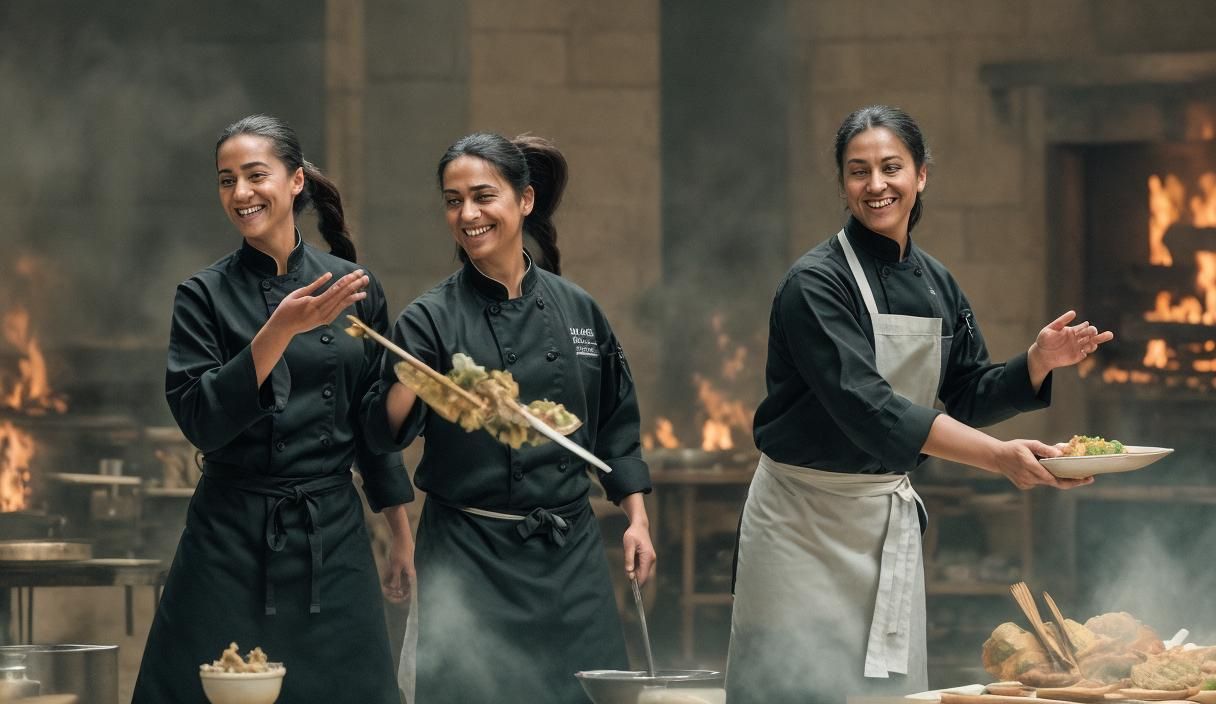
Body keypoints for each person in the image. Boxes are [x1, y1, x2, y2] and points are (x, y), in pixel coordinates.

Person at [725, 105, 1112, 704]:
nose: (875, 184)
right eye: (858, 171)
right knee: (792, 688)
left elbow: (966, 393)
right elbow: (869, 407)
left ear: (921, 175)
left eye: (891, 167)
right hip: (800, 525)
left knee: (882, 694)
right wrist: (998, 458)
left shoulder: (937, 283)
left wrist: (1036, 362)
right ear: (843, 184)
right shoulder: (815, 284)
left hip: (882, 523)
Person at [361, 132, 656, 704]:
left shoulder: (577, 309)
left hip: (569, 554)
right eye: (453, 201)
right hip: (470, 555)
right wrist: (409, 380)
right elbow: (382, 433)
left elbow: (616, 425)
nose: (467, 214)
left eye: (482, 196)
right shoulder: (429, 319)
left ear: (524, 200)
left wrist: (636, 520)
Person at [132, 114, 414, 704]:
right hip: (229, 539)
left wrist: (399, 531)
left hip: (331, 536)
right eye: (226, 180)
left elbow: (369, 425)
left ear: (295, 181)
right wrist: (278, 330)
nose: (240, 193)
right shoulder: (202, 295)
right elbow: (201, 420)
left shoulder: (351, 286)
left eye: (255, 175)